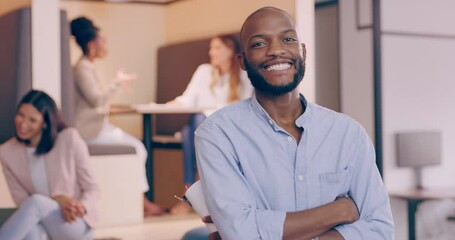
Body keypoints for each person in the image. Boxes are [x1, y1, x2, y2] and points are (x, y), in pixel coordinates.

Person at [194, 7, 394, 239]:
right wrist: (339, 210)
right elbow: (242, 232)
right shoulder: (217, 134)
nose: (276, 50)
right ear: (243, 61)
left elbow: (380, 229)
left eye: (288, 39)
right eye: (259, 44)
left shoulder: (348, 133)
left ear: (303, 52)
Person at [70, 16, 163, 216]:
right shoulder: (82, 68)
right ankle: (142, 202)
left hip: (98, 127)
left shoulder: (86, 66)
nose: (106, 45)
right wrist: (117, 82)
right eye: (103, 41)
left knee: (139, 147)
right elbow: (96, 99)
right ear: (91, 45)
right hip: (88, 132)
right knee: (138, 148)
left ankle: (141, 200)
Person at [168, 34, 253, 214]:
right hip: (203, 125)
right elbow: (189, 98)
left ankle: (191, 193)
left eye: (217, 48)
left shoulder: (243, 75)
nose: (211, 52)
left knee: (194, 126)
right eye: (210, 48)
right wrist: (176, 102)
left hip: (230, 127)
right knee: (194, 125)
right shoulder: (204, 71)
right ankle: (194, 192)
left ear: (230, 51)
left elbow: (243, 108)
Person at [0, 90, 99, 239]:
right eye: (20, 115)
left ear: (44, 123)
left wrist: (80, 207)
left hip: (74, 222)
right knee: (32, 233)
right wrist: (58, 199)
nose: (23, 124)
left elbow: (93, 188)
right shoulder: (7, 151)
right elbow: (21, 201)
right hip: (40, 222)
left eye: (32, 120)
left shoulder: (69, 138)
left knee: (36, 202)